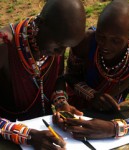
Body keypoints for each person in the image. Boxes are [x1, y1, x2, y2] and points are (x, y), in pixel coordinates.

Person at [53, 0, 129, 140]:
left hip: (110, 116)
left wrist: (113, 128)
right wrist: (91, 94)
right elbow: (68, 77)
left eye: (116, 41)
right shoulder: (85, 43)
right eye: (101, 36)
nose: (105, 46)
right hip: (76, 110)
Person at [0, 0, 85, 149]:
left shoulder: (57, 42)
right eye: (59, 45)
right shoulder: (4, 46)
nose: (60, 53)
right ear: (40, 23)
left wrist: (61, 103)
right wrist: (26, 135)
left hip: (44, 130)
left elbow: (57, 79)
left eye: (66, 47)